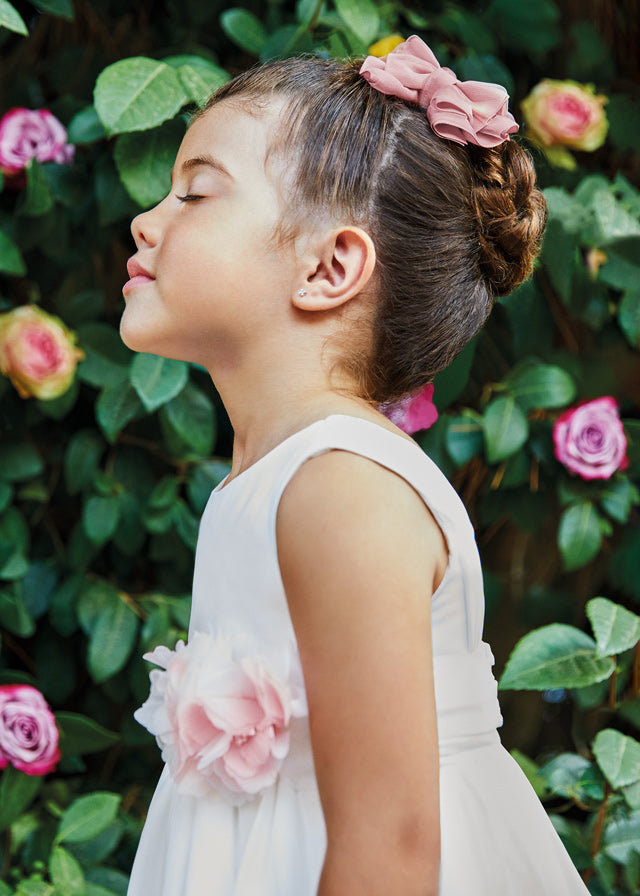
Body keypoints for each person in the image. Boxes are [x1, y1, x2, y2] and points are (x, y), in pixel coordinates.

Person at [122, 36, 589, 896]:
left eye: (194, 193)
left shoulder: (341, 488)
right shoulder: (270, 480)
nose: (146, 221)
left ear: (330, 266)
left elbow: (392, 845)